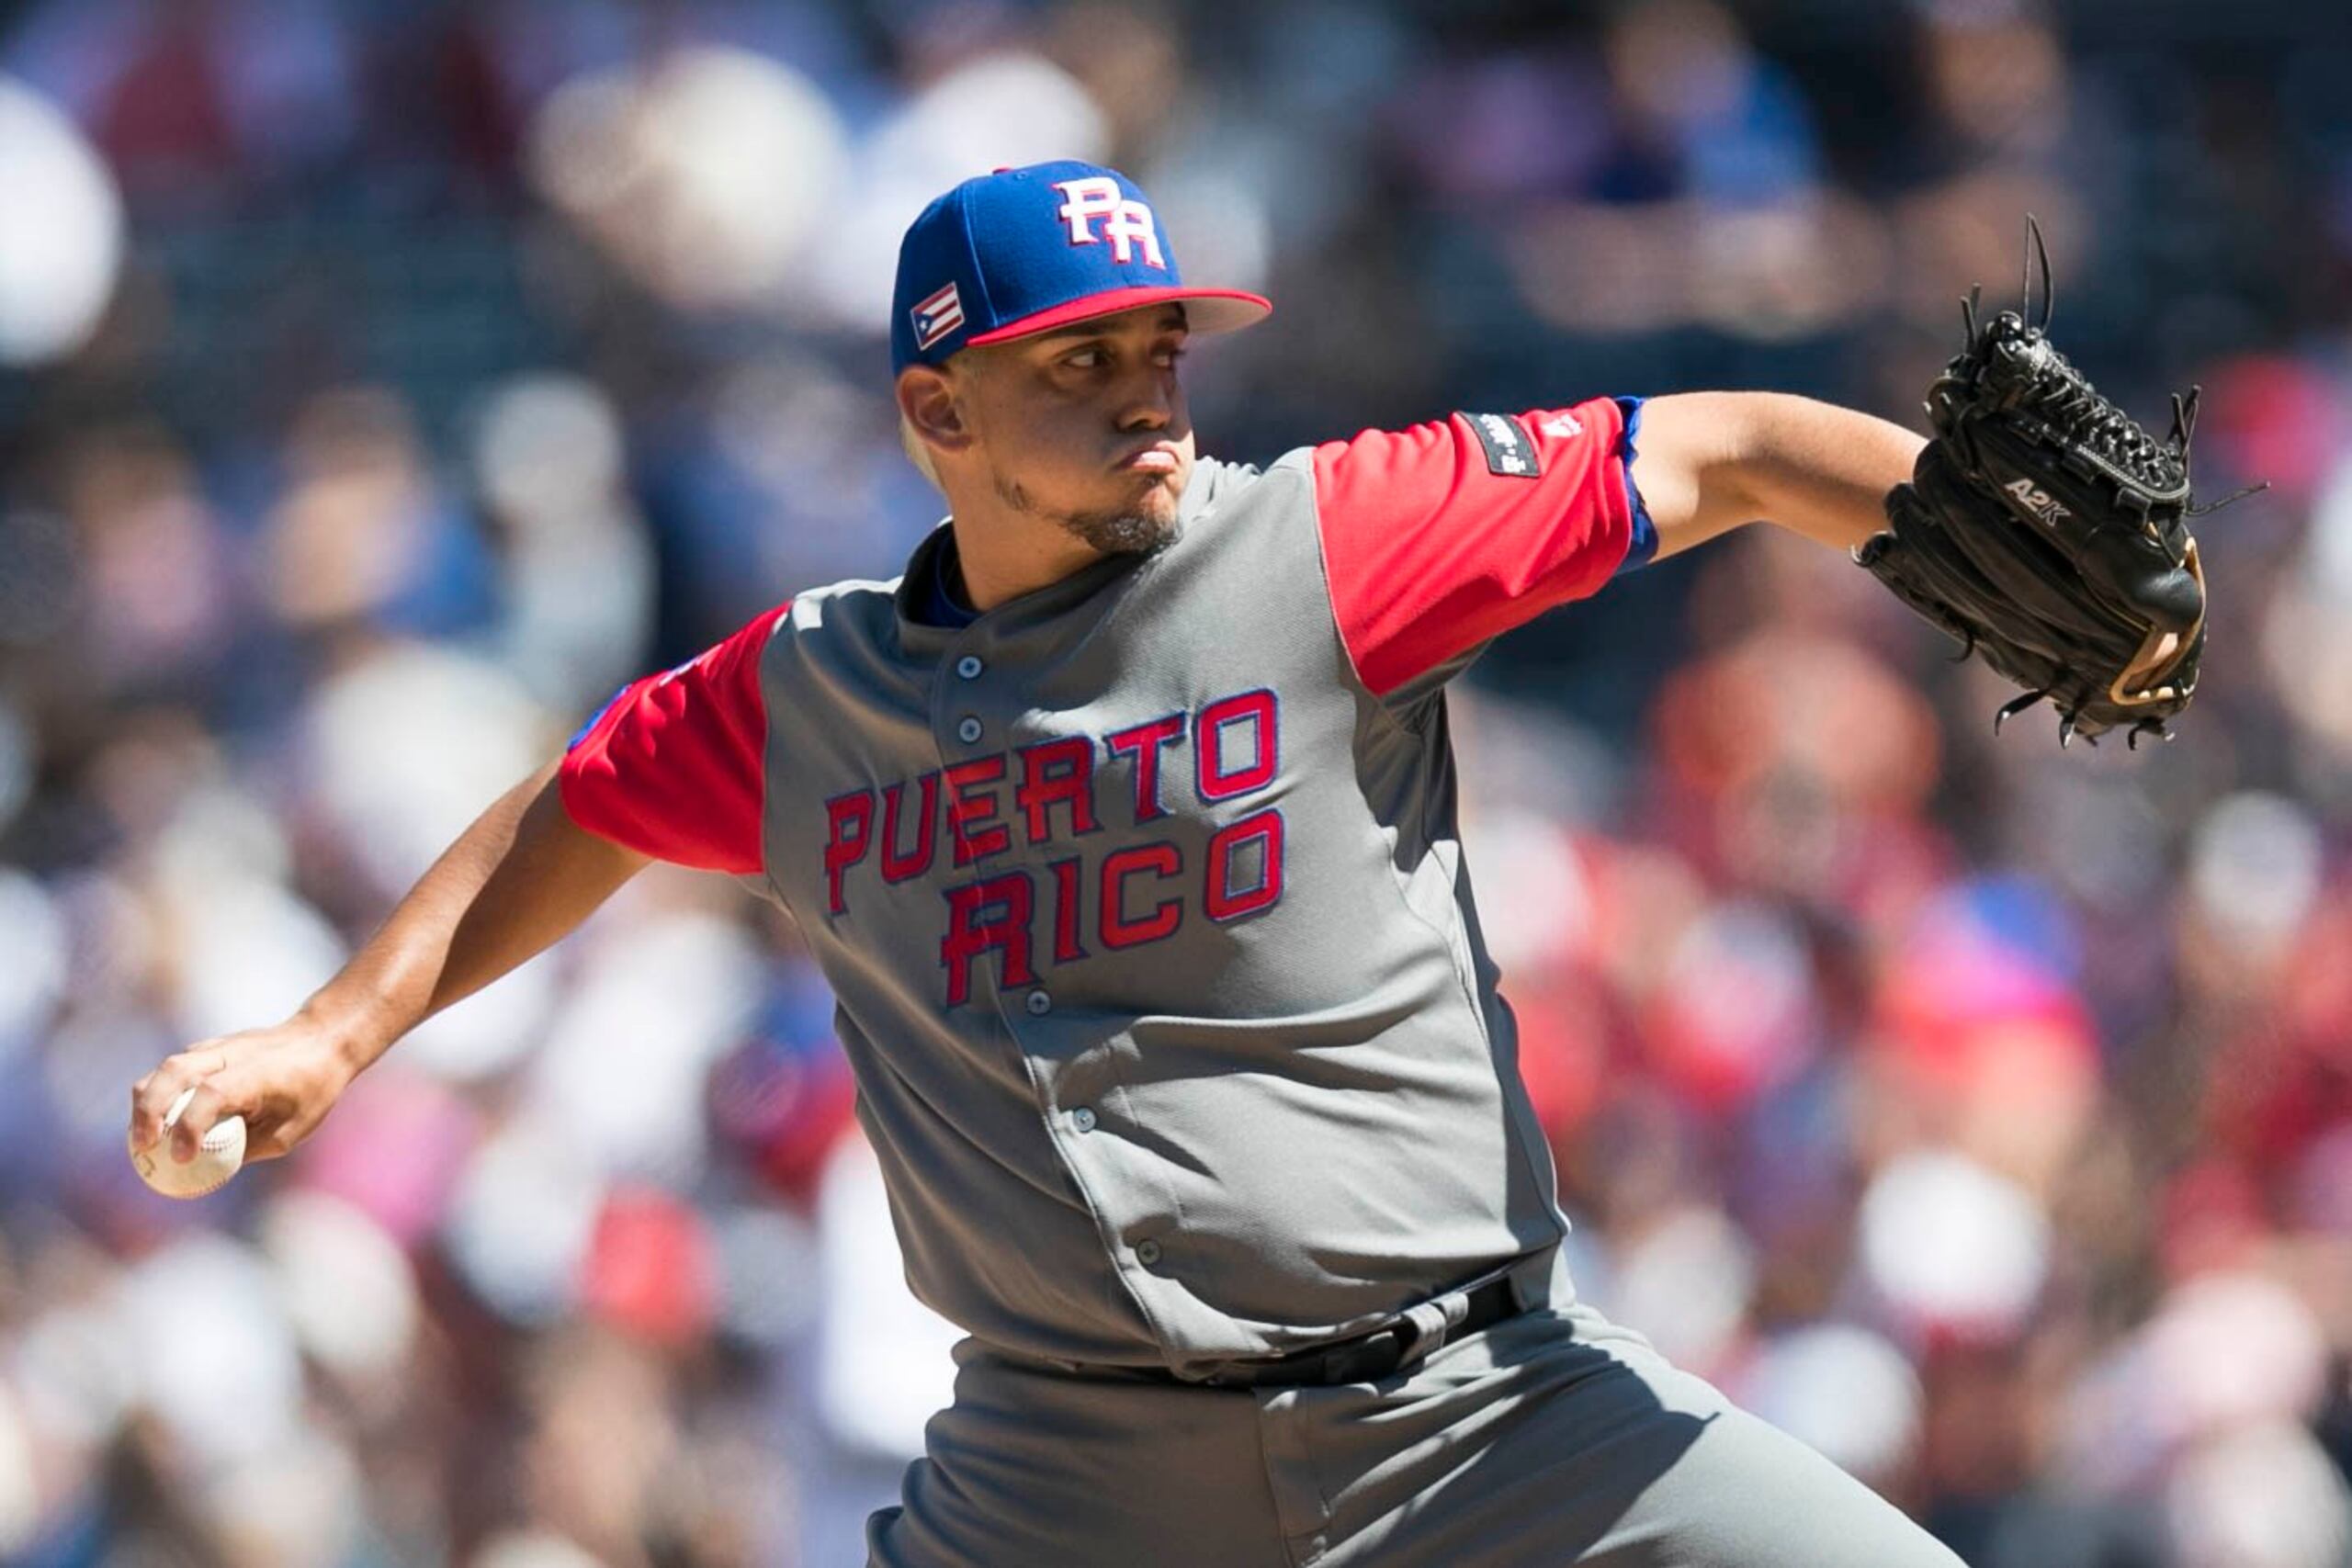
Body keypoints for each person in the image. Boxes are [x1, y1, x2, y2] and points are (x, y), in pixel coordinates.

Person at [130, 161, 1965, 1566]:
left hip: (1472, 1418)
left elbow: (1729, 447)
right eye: (1075, 362)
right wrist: (334, 1030)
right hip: (1065, 1474)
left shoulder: (1326, 543)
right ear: (937, 413)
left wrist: (1964, 521)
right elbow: (582, 799)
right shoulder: (816, 689)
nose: (1144, 394)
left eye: (1156, 349)